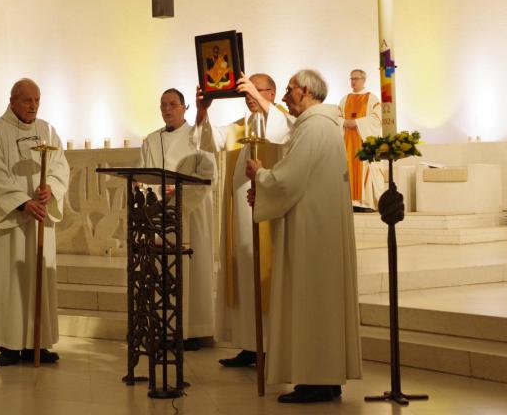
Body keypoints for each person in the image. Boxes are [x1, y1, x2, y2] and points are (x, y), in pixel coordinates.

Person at [245, 70, 362, 403]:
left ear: (306, 91)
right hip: (319, 226)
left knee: (311, 300)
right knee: (320, 302)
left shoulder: (313, 128)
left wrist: (261, 176)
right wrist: (267, 189)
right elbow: (298, 179)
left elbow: (289, 178)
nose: (284, 97)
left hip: (312, 233)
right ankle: (325, 377)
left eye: (289, 90)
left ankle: (315, 379)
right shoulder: (324, 125)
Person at [195, 73, 294, 368]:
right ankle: (251, 345)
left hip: (270, 216)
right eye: (247, 92)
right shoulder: (240, 127)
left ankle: (273, 344)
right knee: (245, 276)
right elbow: (208, 140)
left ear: (272, 92)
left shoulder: (284, 121)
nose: (250, 97)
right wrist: (203, 110)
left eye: (256, 90)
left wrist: (260, 100)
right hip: (240, 216)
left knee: (266, 276)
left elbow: (286, 133)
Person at [0, 78, 69, 366]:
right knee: (9, 282)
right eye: (28, 100)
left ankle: (38, 344)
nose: (34, 106)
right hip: (11, 222)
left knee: (38, 279)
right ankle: (9, 345)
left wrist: (50, 188)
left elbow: (60, 167)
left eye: (37, 100)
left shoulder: (47, 131)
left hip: (40, 217)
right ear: (13, 100)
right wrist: (23, 202)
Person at [140, 88, 216, 348]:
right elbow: (143, 176)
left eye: (173, 104)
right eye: (163, 105)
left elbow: (207, 172)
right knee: (164, 272)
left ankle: (193, 329)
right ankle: (165, 327)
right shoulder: (151, 140)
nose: (167, 109)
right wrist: (153, 193)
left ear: (185, 108)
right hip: (161, 212)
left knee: (191, 269)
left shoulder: (198, 135)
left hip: (191, 211)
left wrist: (181, 189)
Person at [339, 69, 384, 211]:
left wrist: (358, 123)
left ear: (364, 80)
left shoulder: (372, 98)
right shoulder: (344, 99)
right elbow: (337, 117)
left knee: (364, 169)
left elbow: (377, 119)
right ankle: (350, 203)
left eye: (356, 79)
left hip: (363, 142)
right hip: (347, 142)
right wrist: (344, 123)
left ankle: (366, 204)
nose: (353, 82)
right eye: (351, 79)